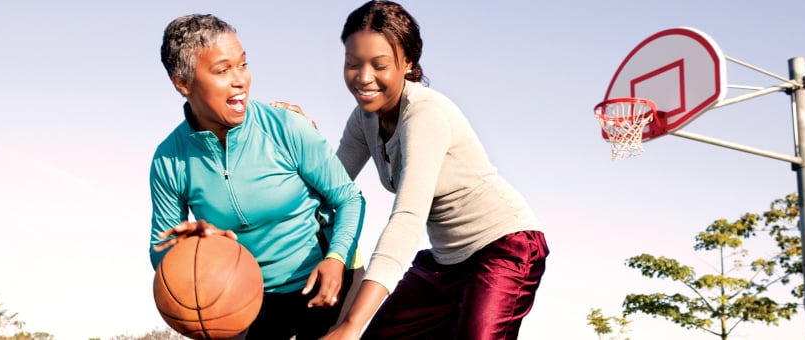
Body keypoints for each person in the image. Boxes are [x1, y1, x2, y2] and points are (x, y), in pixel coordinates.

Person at [320, 1, 550, 339]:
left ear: (407, 62)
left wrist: (352, 325)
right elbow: (329, 189)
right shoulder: (364, 119)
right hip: (446, 261)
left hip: (505, 245)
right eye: (352, 64)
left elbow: (408, 217)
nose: (363, 78)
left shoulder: (426, 114)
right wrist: (296, 137)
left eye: (379, 65)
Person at [148, 13, 365, 340]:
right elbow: (160, 250)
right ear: (183, 83)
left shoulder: (286, 128)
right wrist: (185, 246)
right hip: (245, 298)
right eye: (222, 70)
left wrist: (336, 258)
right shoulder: (169, 159)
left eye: (243, 64)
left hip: (324, 278)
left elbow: (349, 198)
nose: (240, 80)